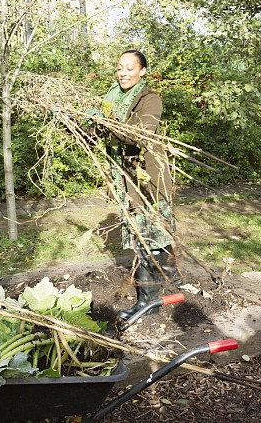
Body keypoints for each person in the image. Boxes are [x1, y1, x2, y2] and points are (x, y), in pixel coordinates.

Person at [94, 50, 181, 321]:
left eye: (130, 68)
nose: (123, 73)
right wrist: (75, 120)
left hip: (146, 179)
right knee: (150, 233)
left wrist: (106, 121)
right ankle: (171, 275)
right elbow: (98, 132)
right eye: (120, 67)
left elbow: (137, 137)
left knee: (146, 238)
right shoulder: (112, 99)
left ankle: (148, 301)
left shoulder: (150, 99)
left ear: (142, 71)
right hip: (123, 176)